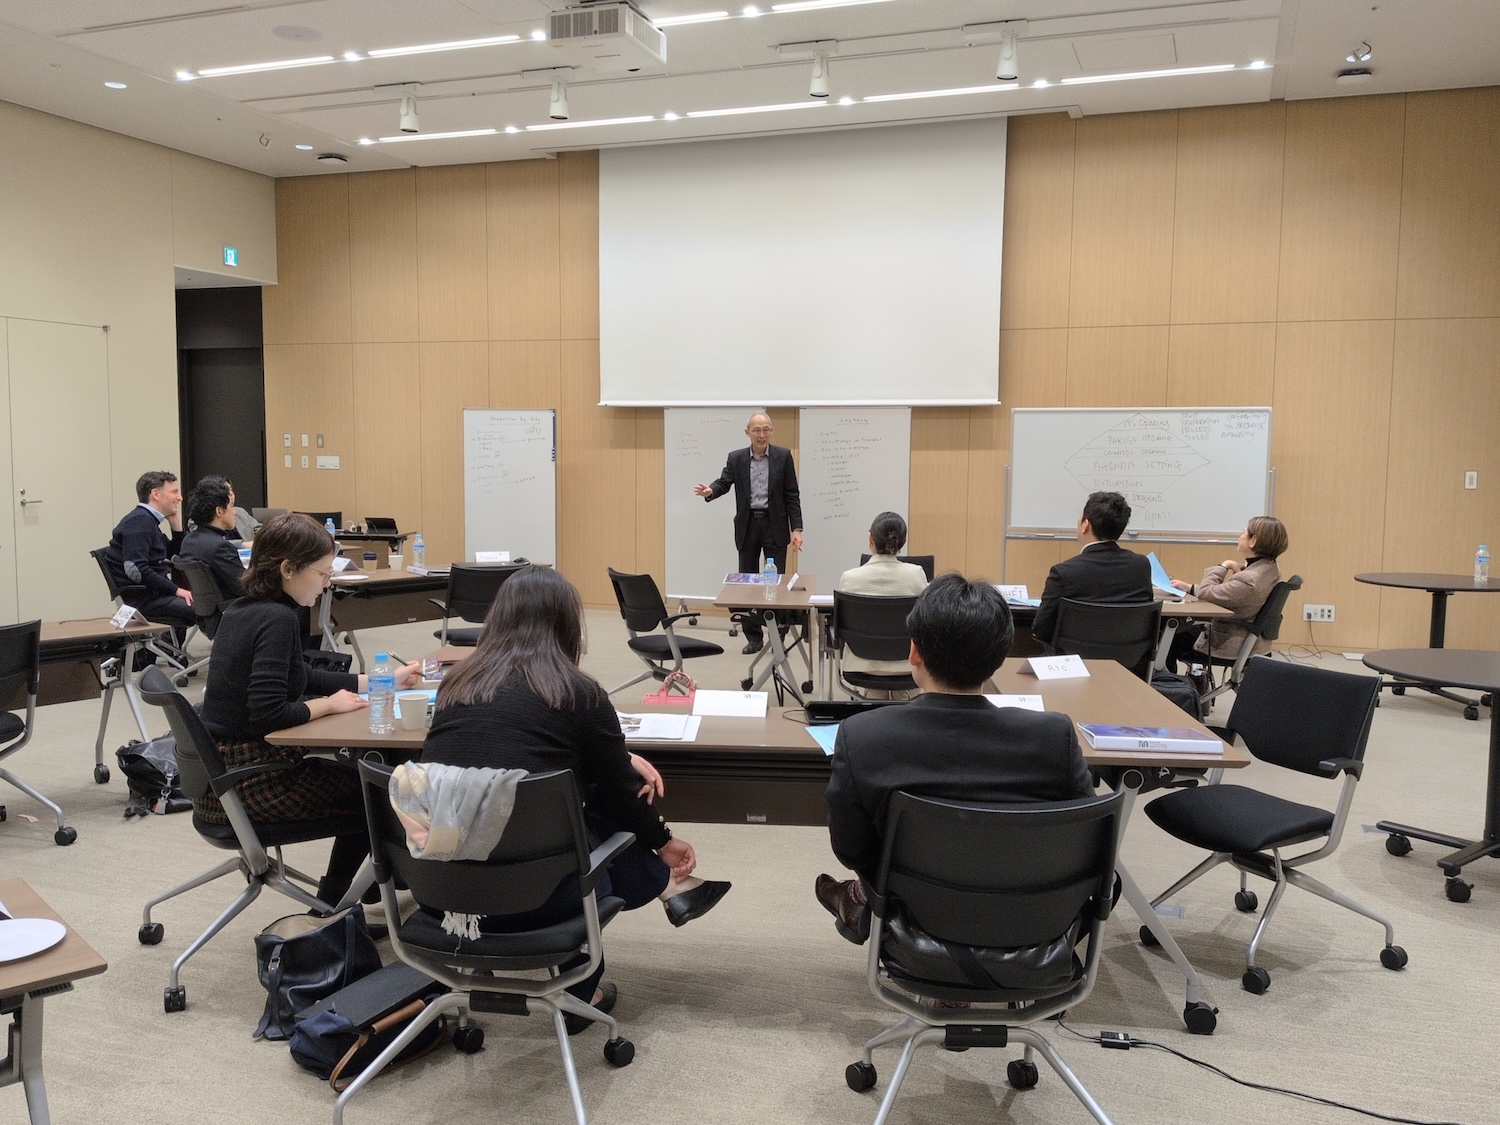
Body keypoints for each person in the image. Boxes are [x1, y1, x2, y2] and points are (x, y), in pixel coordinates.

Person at [421, 564, 733, 1031]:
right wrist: (664, 842)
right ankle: (584, 987)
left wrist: (617, 760)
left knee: (560, 799)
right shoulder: (578, 693)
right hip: (539, 899)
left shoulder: (455, 685)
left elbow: (484, 767)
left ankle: (669, 889)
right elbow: (623, 795)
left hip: (443, 894)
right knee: (605, 812)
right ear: (568, 625)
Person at [816, 575, 1094, 943]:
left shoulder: (863, 736)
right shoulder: (1054, 737)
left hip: (914, 916)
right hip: (1031, 921)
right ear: (1000, 658)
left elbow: (850, 848)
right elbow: (1089, 841)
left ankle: (858, 898)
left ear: (914, 652)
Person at [198, 513, 421, 907]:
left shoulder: (242, 609)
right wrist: (327, 706)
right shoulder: (278, 618)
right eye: (322, 573)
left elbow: (302, 675)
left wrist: (384, 680)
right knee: (376, 789)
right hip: (252, 781)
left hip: (218, 778)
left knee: (366, 774)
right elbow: (269, 714)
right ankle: (337, 903)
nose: (327, 582)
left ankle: (363, 886)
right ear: (288, 569)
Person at [694, 410, 805, 654]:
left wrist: (796, 528)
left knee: (775, 582)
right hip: (748, 525)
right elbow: (724, 482)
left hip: (775, 526)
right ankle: (753, 637)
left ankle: (778, 635)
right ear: (747, 433)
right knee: (747, 582)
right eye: (757, 430)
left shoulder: (783, 456)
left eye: (766, 430)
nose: (761, 434)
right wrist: (711, 491)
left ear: (771, 431)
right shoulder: (736, 458)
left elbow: (792, 494)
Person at [1166, 516, 1289, 676]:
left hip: (1231, 643)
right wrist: (1189, 588)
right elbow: (1226, 593)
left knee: (1166, 636)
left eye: (1243, 533)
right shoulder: (1270, 569)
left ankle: (1166, 684)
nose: (1240, 536)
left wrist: (1225, 565)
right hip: (1250, 639)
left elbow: (1206, 592)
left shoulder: (1249, 579)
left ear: (1253, 541)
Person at [1031, 490, 1153, 646]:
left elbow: (1041, 629)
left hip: (1074, 659)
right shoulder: (1141, 566)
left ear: (1085, 525)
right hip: (1129, 659)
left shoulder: (1063, 573)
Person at [835, 511, 929, 682]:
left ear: (870, 539)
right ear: (902, 541)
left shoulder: (850, 578)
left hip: (860, 665)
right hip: (908, 664)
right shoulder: (917, 574)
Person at [103, 470, 195, 629]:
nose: (180, 497)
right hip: (145, 600)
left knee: (204, 606)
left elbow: (175, 554)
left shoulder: (147, 520)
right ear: (156, 494)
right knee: (207, 610)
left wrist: (175, 523)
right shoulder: (140, 522)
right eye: (174, 492)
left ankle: (170, 645)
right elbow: (136, 569)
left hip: (154, 595)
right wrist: (176, 590)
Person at [180, 476, 246, 602]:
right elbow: (244, 587)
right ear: (219, 511)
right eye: (231, 507)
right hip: (233, 608)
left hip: (207, 609)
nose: (234, 512)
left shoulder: (188, 541)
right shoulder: (221, 547)